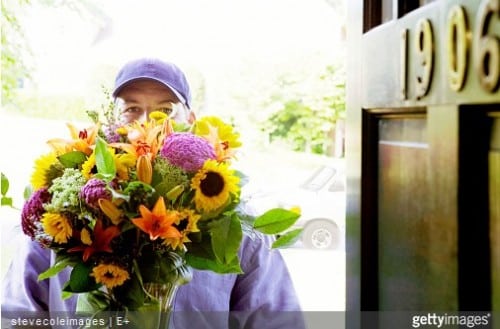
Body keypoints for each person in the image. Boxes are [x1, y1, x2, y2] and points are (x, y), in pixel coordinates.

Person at [1, 58, 305, 328]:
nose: (147, 123)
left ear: (191, 122)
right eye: (132, 109)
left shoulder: (235, 223)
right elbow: (19, 316)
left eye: (165, 110)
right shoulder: (59, 217)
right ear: (109, 123)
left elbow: (277, 319)